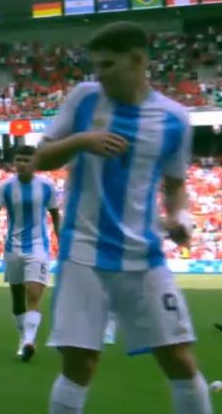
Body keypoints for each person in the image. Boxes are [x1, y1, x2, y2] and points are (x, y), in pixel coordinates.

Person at [34, 22, 210, 414]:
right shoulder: (84, 99)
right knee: (79, 364)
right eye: (96, 66)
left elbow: (175, 186)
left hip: (143, 258)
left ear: (138, 61)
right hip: (83, 253)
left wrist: (181, 217)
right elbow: (39, 158)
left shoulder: (174, 119)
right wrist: (82, 141)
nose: (100, 74)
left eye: (108, 65)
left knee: (179, 359)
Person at [0, 145, 60, 362]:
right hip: (13, 248)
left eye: (26, 160)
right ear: (14, 162)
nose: (22, 164)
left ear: (34, 162)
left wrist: (60, 235)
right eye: (18, 159)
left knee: (34, 294)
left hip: (38, 247)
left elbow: (55, 214)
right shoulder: (6, 188)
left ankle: (29, 341)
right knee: (18, 299)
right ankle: (24, 337)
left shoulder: (46, 187)